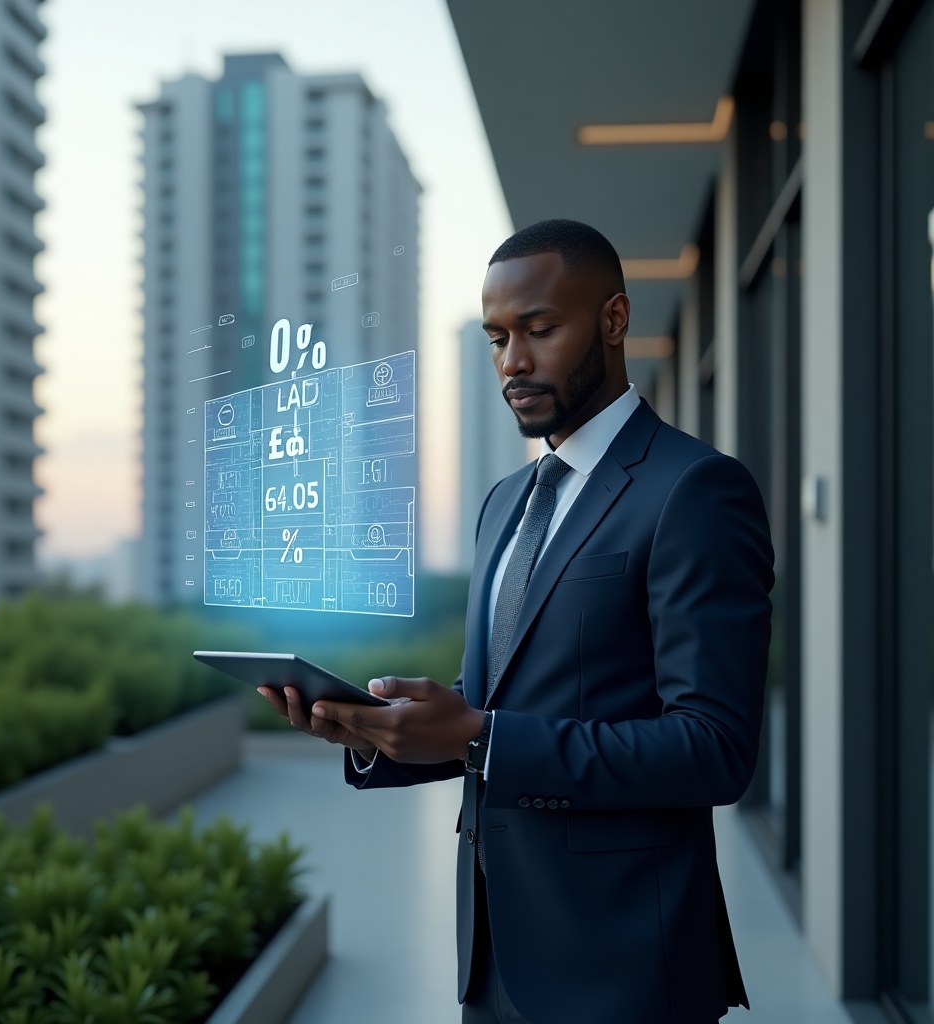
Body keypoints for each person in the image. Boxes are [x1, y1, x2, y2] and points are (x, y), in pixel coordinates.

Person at [258, 219, 774, 1024]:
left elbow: (715, 749)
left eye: (540, 330)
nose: (513, 362)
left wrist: (479, 736)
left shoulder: (696, 490)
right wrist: (375, 733)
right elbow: (502, 696)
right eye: (498, 337)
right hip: (495, 958)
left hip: (626, 966)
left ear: (612, 320)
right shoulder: (506, 503)